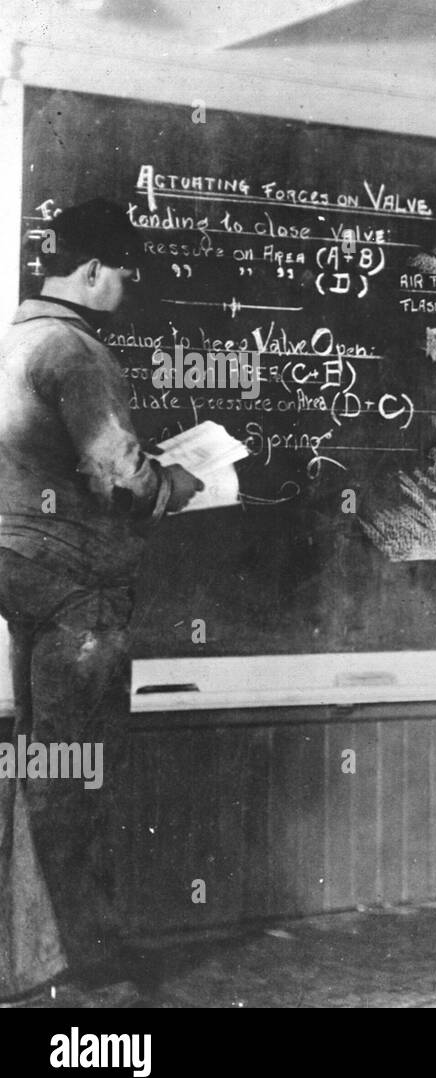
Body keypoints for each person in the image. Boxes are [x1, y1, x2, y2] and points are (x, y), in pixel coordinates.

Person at [0, 199, 203, 1005]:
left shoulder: (15, 341)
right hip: (78, 587)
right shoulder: (76, 350)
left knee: (42, 758)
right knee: (78, 770)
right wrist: (177, 483)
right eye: (124, 272)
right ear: (90, 271)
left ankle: (28, 955)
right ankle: (86, 964)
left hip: (21, 576)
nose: (128, 287)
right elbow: (121, 474)